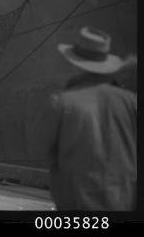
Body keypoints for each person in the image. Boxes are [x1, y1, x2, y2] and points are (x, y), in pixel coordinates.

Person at [44, 26, 136, 210]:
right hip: (124, 200)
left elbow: (51, 155)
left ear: (75, 62)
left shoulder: (61, 102)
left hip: (77, 201)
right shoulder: (131, 101)